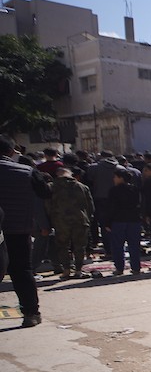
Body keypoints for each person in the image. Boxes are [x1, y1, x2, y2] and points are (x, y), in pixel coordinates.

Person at [0, 135, 51, 326]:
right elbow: (46, 193)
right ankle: (31, 313)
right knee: (22, 271)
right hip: (18, 230)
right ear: (12, 152)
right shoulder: (27, 171)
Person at [47, 165, 94, 280]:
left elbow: (47, 205)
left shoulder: (51, 187)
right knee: (80, 246)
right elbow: (90, 206)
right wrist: (88, 218)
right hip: (80, 220)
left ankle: (66, 270)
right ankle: (78, 270)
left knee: (62, 246)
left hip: (60, 221)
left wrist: (52, 218)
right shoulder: (82, 186)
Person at [107, 168, 143, 275]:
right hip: (134, 220)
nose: (114, 179)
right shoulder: (135, 189)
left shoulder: (114, 190)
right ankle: (136, 268)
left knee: (118, 245)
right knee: (134, 245)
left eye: (115, 177)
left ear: (120, 178)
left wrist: (107, 222)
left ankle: (119, 268)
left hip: (118, 220)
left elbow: (111, 208)